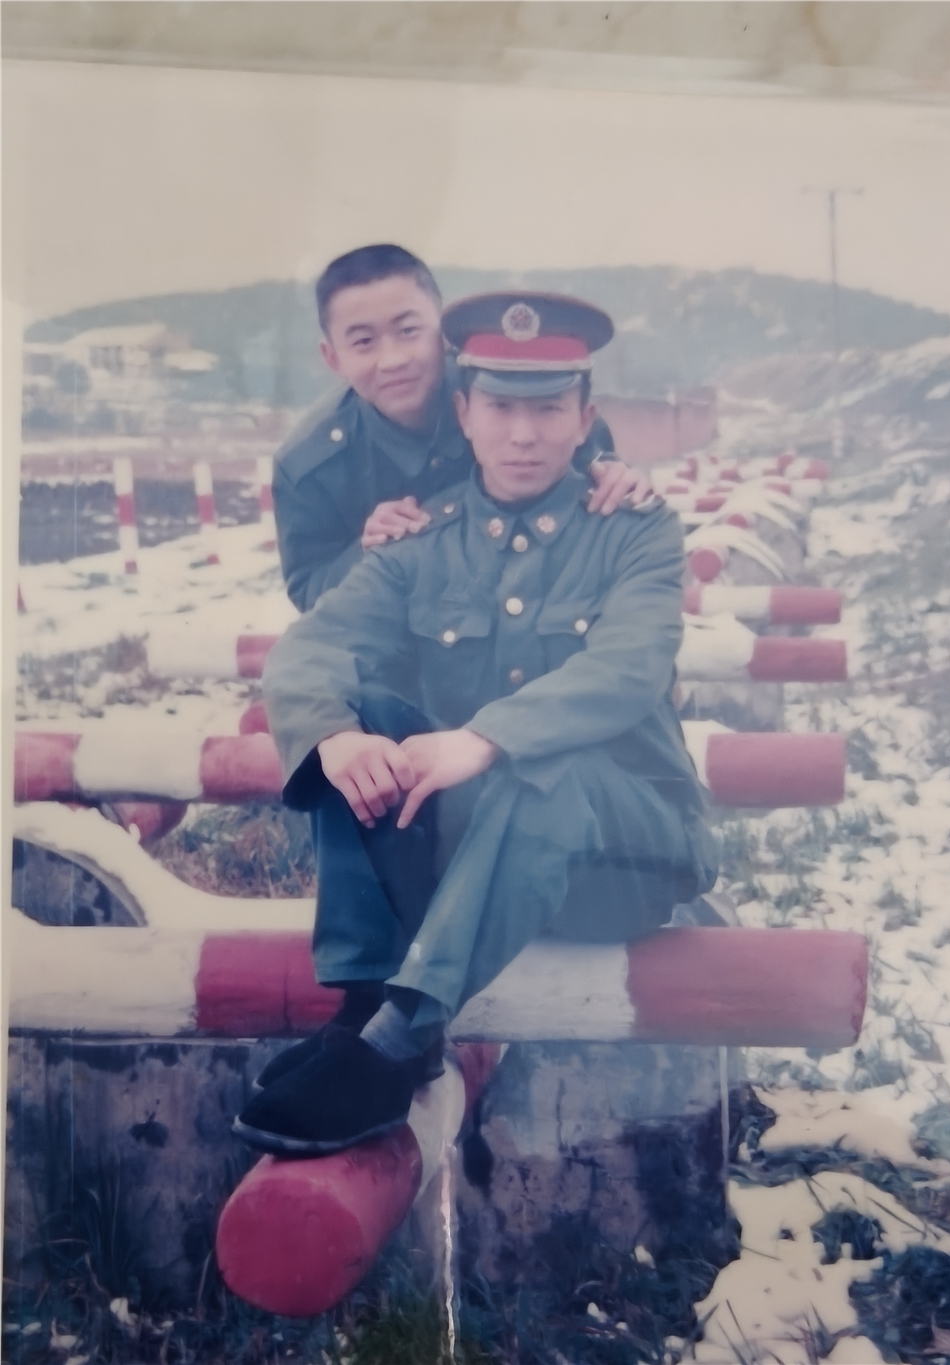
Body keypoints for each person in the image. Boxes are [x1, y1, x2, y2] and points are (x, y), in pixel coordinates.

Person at [234, 290, 718, 1157]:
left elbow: (625, 669)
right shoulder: (423, 540)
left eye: (548, 408)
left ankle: (400, 1040)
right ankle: (362, 998)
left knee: (548, 769)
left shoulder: (636, 531)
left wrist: (483, 738)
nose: (522, 434)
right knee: (366, 719)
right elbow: (310, 648)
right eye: (499, 407)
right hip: (492, 857)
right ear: (463, 412)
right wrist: (336, 735)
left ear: (585, 420)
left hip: (621, 859)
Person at [272, 244, 651, 612]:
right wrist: (367, 551)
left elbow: (588, 451)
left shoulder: (502, 384)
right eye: (364, 341)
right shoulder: (308, 465)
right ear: (333, 358)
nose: (393, 360)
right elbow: (309, 590)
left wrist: (612, 476)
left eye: (408, 331)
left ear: (442, 332)